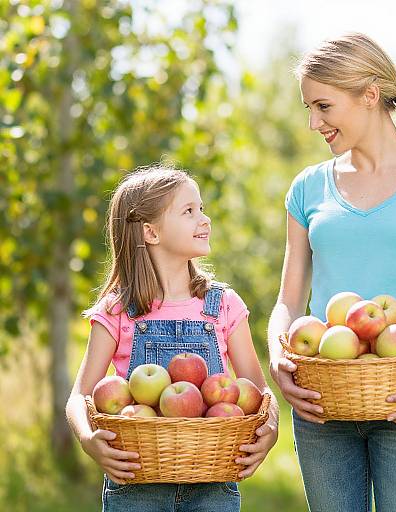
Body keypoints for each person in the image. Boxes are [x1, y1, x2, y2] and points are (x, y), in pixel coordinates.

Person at [267, 33, 396, 512]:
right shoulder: (308, 188)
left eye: (323, 106)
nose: (313, 122)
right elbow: (288, 300)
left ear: (368, 95)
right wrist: (279, 360)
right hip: (324, 401)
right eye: (309, 108)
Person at [66, 164, 279, 512]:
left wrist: (271, 429)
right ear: (150, 232)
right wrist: (89, 440)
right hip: (137, 483)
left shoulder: (222, 305)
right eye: (189, 211)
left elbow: (258, 391)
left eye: (202, 209)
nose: (204, 219)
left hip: (213, 483)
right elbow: (79, 396)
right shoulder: (120, 310)